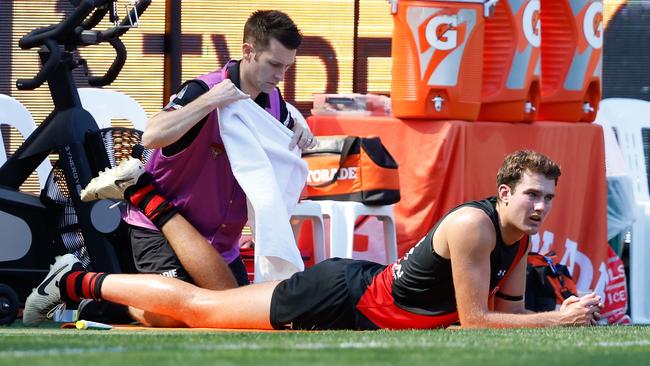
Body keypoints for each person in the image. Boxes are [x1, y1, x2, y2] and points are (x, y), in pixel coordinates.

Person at [24, 150, 603, 329]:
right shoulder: (474, 225)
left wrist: (556, 316)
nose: (540, 207)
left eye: (548, 199)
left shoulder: (518, 240)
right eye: (531, 195)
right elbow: (477, 323)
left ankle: (92, 286)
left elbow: (509, 317)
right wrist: (560, 320)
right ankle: (71, 278)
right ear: (503, 192)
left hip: (354, 297)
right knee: (201, 309)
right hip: (338, 296)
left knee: (197, 308)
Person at [67, 10, 315, 326]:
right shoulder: (204, 89)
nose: (280, 75)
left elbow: (278, 151)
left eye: (287, 67)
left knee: (240, 317)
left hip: (222, 243)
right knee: (177, 318)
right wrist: (211, 101)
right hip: (160, 224)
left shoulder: (275, 102)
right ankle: (94, 296)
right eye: (274, 65)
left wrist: (298, 123)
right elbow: (153, 135)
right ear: (248, 51)